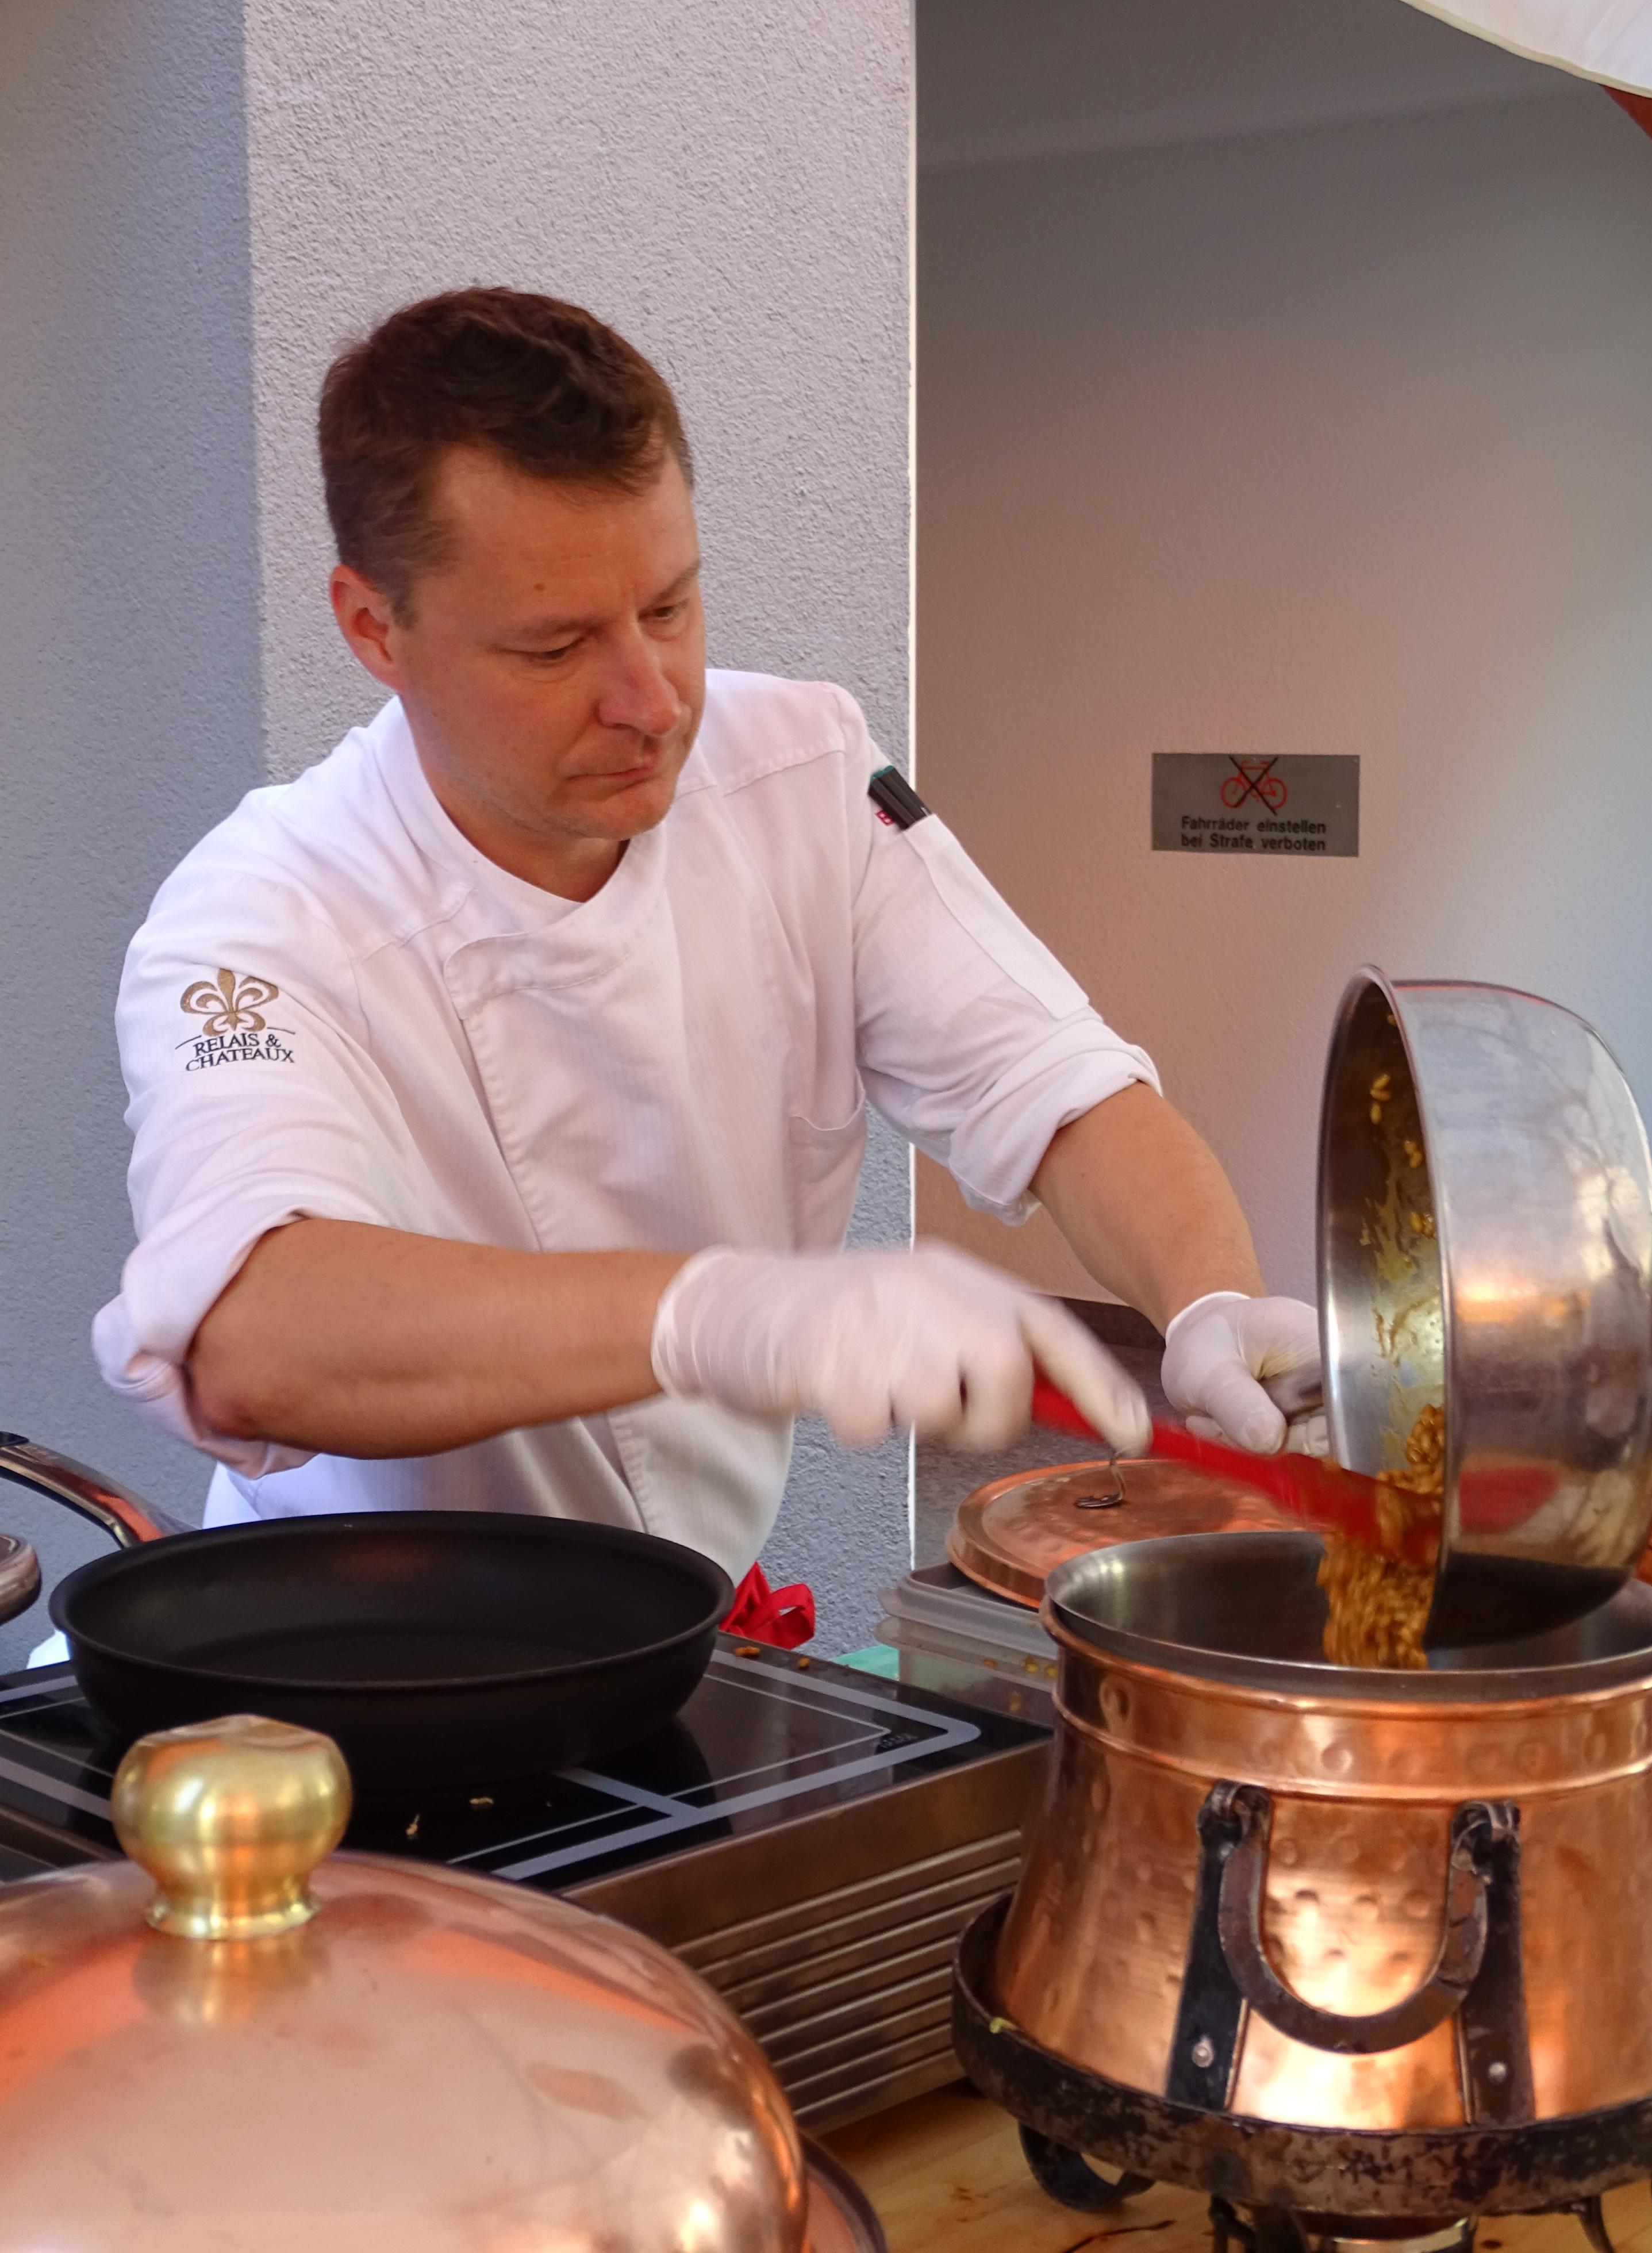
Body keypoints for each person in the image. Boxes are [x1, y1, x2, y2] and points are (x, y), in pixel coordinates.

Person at [91, 287, 1322, 1606]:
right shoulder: (260, 915)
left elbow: (1056, 1084)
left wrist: (1208, 1303)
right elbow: (253, 1332)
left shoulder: (802, 776)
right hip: (349, 1644)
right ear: (372, 627)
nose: (650, 700)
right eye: (555, 645)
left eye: (670, 607)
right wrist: (727, 1312)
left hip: (675, 1626)